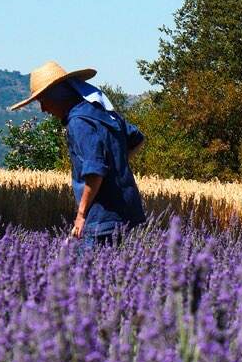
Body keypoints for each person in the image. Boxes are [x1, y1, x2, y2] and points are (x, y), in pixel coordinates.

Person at [9, 60, 146, 252]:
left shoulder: (78, 122)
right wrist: (117, 166)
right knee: (110, 276)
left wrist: (81, 215)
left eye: (43, 101)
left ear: (57, 95)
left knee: (84, 277)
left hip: (100, 217)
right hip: (124, 213)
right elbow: (137, 139)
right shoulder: (102, 112)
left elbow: (95, 172)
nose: (43, 109)